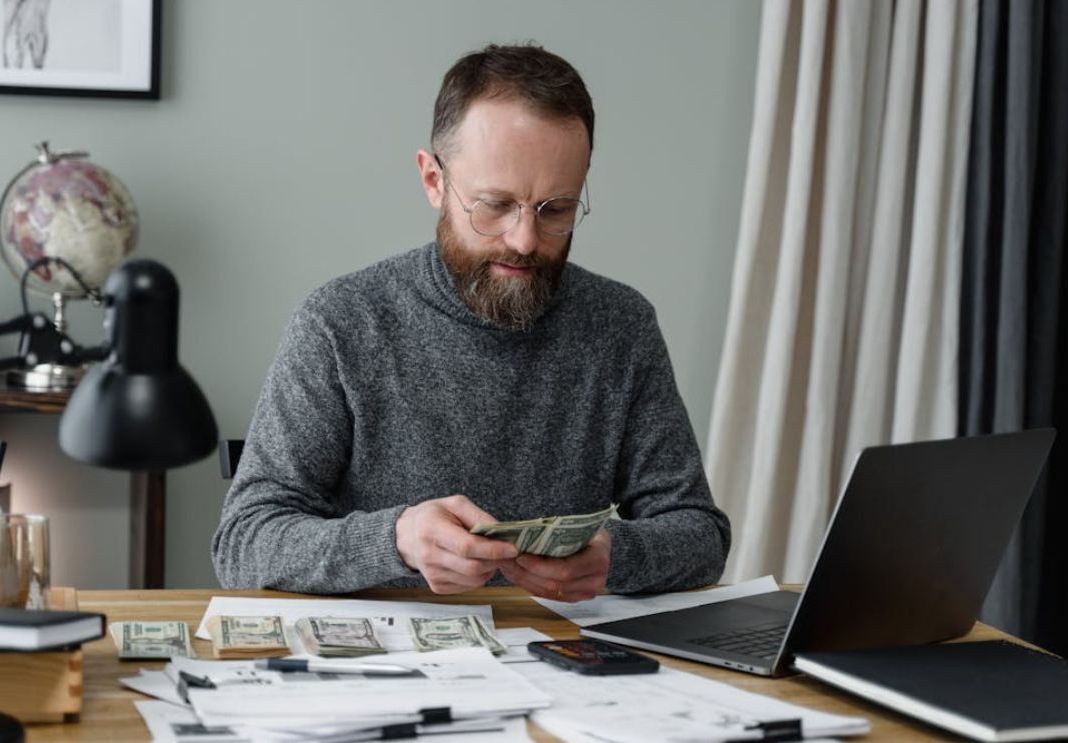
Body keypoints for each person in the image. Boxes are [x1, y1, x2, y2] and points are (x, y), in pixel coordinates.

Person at [213, 43, 730, 602]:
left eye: (555, 209)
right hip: (384, 668)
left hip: (566, 664)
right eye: (494, 204)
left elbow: (700, 534)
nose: (525, 239)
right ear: (433, 180)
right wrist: (395, 541)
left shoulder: (620, 326)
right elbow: (243, 542)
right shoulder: (339, 322)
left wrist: (617, 558)